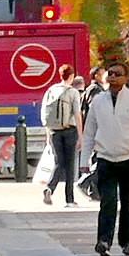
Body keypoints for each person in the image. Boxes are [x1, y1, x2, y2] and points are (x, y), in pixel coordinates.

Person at [80, 61, 129, 256]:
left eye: (117, 74)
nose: (112, 77)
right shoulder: (98, 101)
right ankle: (104, 240)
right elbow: (89, 132)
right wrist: (84, 162)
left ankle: (126, 241)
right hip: (105, 158)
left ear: (126, 78)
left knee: (127, 203)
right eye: (110, 73)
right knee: (107, 201)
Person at [41, 65, 83, 207]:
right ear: (71, 77)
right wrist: (81, 135)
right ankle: (69, 199)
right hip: (69, 130)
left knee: (59, 162)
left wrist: (48, 134)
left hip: (54, 131)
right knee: (70, 164)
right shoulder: (73, 92)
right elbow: (77, 115)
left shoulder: (51, 90)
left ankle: (49, 187)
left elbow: (46, 114)